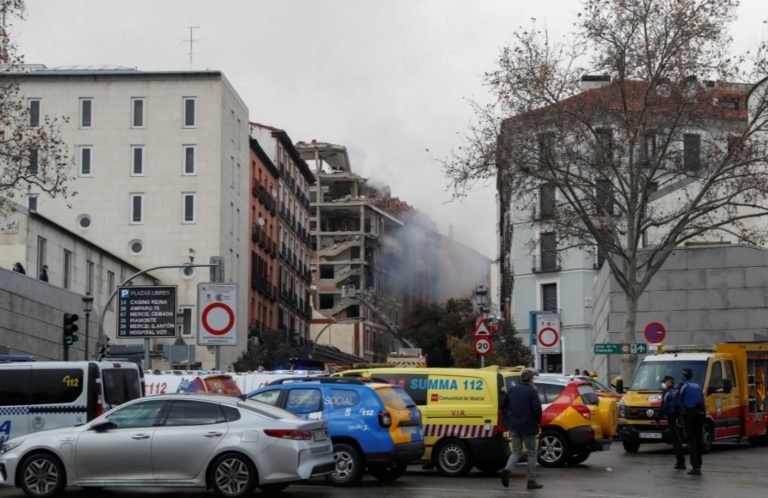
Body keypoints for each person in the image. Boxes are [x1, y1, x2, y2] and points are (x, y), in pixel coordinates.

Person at [500, 368, 543, 490]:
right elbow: (537, 409)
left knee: (516, 451)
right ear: (530, 379)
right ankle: (531, 481)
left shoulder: (512, 389)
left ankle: (507, 469)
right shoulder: (531, 391)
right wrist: (537, 421)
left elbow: (502, 405)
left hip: (514, 426)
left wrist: (510, 415)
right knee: (531, 452)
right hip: (528, 427)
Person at [677, 367, 705, 475]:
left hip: (689, 414)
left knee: (691, 441)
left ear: (684, 375)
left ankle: (694, 467)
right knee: (699, 440)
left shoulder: (683, 385)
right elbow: (702, 401)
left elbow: (677, 400)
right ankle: (699, 465)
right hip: (699, 414)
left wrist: (680, 412)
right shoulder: (697, 386)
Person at [659, 375, 685, 469]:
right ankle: (680, 461)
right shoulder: (677, 391)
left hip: (672, 419)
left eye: (665, 382)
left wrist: (659, 416)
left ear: (669, 382)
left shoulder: (667, 393)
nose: (664, 384)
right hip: (679, 419)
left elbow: (664, 406)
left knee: (676, 442)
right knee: (679, 440)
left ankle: (680, 462)